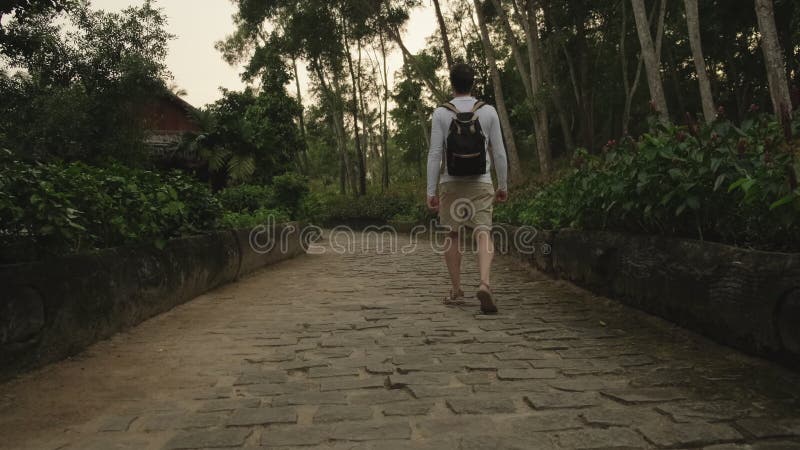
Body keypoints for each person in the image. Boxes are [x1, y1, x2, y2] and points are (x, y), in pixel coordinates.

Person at [426, 63, 509, 314]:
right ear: (472, 83)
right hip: (481, 180)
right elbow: (499, 152)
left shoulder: (441, 113)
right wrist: (503, 184)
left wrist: (431, 190)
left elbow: (435, 153)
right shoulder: (489, 112)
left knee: (452, 234)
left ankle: (456, 290)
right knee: (483, 232)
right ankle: (484, 283)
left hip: (450, 181)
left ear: (451, 84)